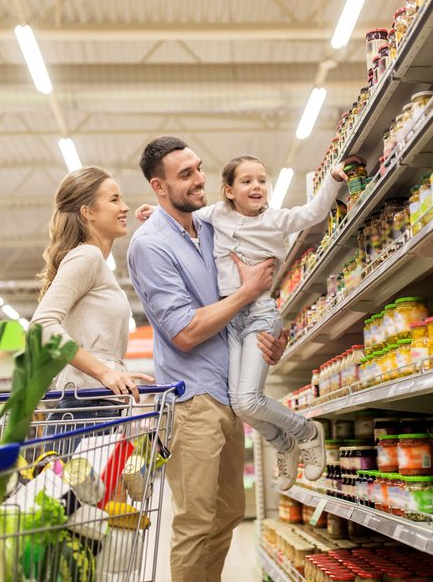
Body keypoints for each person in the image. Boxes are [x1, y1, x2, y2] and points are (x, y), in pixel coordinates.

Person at [135, 153, 359, 491]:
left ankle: (305, 432)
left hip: (259, 314)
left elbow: (311, 212)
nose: (257, 186)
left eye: (261, 180)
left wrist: (333, 179)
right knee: (239, 403)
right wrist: (153, 213)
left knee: (246, 400)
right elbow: (182, 216)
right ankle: (282, 443)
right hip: (230, 320)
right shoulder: (216, 215)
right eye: (246, 181)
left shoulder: (275, 220)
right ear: (228, 190)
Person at [127, 137, 288, 582]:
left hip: (232, 390)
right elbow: (184, 332)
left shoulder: (213, 225)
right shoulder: (150, 246)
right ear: (159, 187)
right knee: (195, 522)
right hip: (193, 400)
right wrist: (247, 292)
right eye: (185, 175)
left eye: (198, 169)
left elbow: (252, 289)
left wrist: (271, 333)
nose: (200, 180)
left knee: (229, 513)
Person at [30, 166, 154, 427]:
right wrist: (105, 372)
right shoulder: (87, 256)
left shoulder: (95, 263)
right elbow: (42, 326)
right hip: (89, 405)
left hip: (98, 403)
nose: (125, 207)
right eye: (114, 199)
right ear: (87, 212)